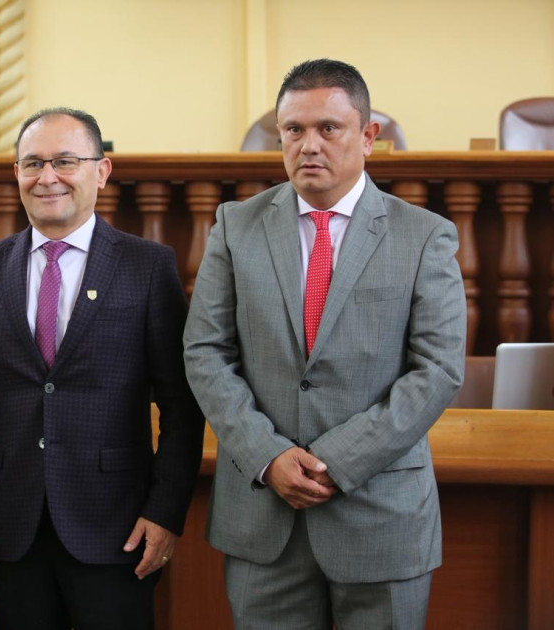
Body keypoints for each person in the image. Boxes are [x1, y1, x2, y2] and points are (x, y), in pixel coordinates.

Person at [183, 59, 467, 629]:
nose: (308, 145)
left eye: (328, 129)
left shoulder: (423, 234)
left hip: (380, 519)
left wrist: (336, 461)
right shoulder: (235, 227)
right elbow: (205, 353)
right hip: (265, 518)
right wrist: (267, 455)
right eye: (293, 130)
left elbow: (436, 370)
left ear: (367, 137)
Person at [0, 107, 205, 630]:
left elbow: (181, 404)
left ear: (101, 171)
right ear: (16, 173)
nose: (47, 177)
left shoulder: (148, 267)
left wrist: (166, 511)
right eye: (32, 163)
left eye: (65, 161)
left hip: (119, 529)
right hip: (12, 528)